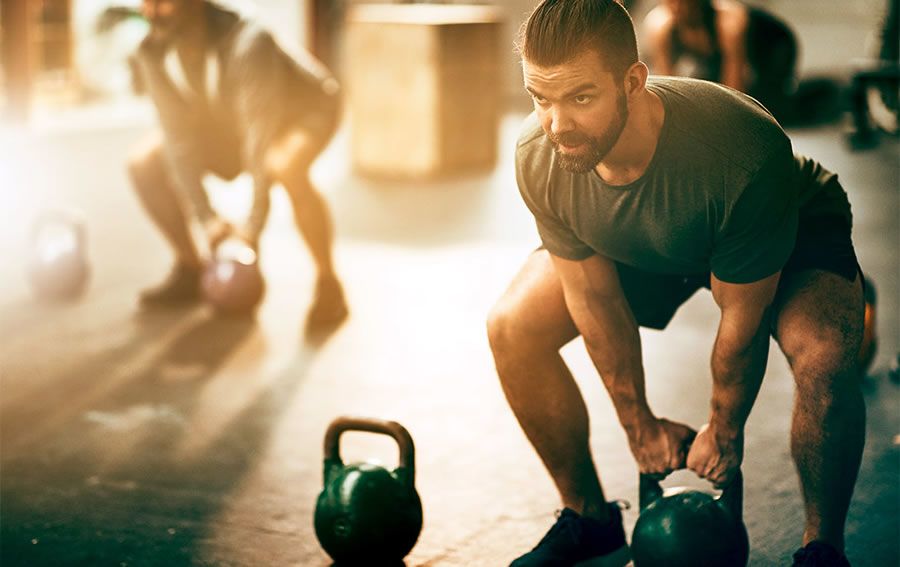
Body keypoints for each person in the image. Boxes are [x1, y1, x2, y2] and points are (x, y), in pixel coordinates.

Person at [486, 1, 865, 566]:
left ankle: (822, 548)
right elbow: (593, 297)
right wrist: (638, 424)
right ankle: (590, 521)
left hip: (781, 219)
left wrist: (725, 428)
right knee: (511, 327)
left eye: (581, 98)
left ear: (634, 81)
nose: (556, 124)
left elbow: (743, 322)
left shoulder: (742, 153)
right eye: (541, 98)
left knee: (826, 355)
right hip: (644, 237)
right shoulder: (542, 154)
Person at [125, 0, 347, 326]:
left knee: (282, 164)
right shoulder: (151, 51)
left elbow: (258, 136)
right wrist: (209, 221)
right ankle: (191, 269)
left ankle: (329, 285)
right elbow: (177, 140)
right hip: (226, 117)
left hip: (304, 112)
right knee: (143, 162)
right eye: (147, 2)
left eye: (163, 2)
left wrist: (251, 231)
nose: (152, 12)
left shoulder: (248, 41)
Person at [642, 0, 797, 121]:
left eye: (683, 1)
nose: (676, 7)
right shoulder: (660, 26)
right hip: (715, 56)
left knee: (767, 106)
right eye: (670, 1)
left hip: (774, 47)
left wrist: (723, 121)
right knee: (705, 93)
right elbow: (668, 85)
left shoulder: (729, 23)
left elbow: (735, 90)